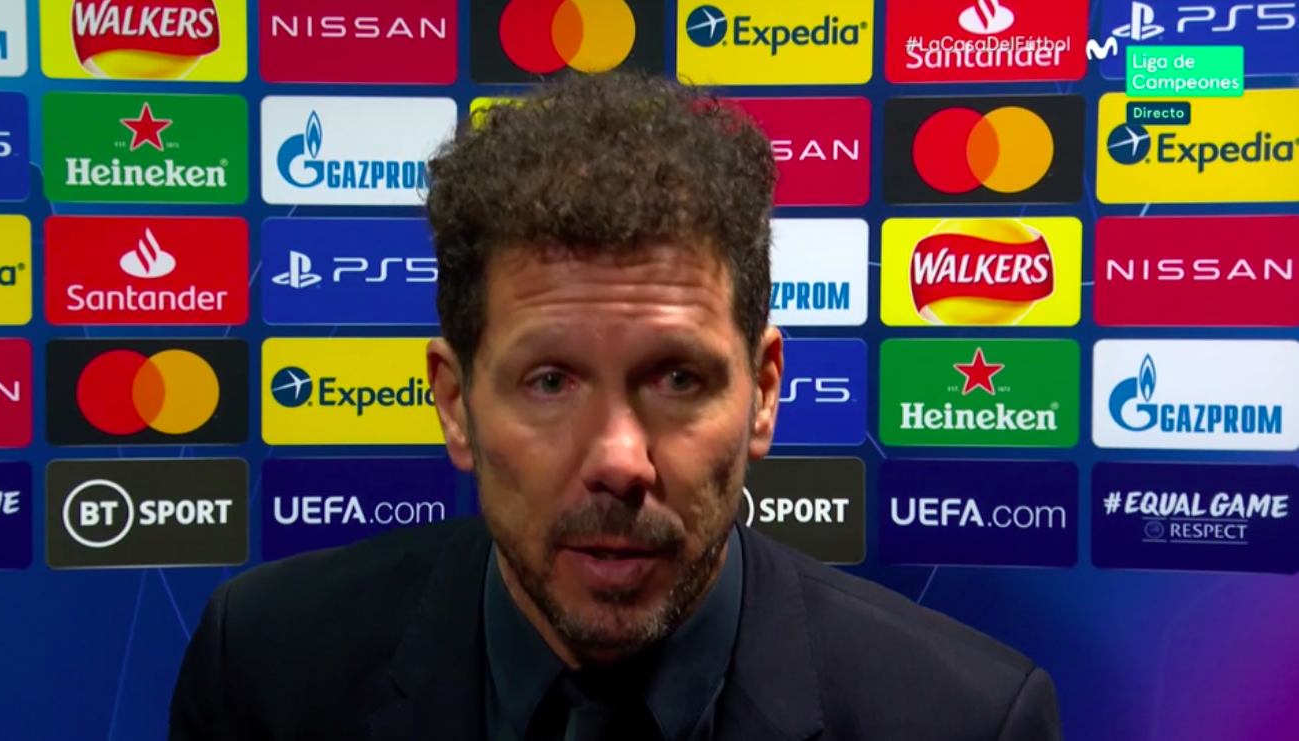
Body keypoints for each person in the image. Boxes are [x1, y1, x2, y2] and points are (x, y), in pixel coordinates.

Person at [168, 71, 1063, 741]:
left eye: (677, 379)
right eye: (550, 381)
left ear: (763, 392)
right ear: (454, 402)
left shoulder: (967, 719)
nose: (620, 459)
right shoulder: (262, 671)